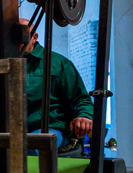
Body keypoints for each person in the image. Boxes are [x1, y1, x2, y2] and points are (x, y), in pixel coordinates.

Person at [19, 17, 93, 150]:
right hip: (9, 130)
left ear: (34, 37)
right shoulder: (1, 65)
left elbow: (80, 99)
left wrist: (84, 116)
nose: (15, 40)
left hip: (48, 130)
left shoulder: (58, 64)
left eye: (21, 34)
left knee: (31, 145)